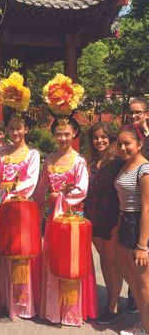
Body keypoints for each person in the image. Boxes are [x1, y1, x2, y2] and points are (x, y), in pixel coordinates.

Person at [33, 117, 98, 326]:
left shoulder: (78, 161)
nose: (63, 138)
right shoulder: (49, 159)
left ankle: (71, 311)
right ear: (53, 135)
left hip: (72, 220)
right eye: (59, 134)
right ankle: (53, 308)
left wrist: (59, 196)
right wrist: (32, 203)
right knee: (54, 258)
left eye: (67, 134)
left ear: (75, 134)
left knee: (72, 261)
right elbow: (42, 187)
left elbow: (82, 190)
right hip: (53, 219)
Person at [0, 111, 41, 319]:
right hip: (2, 205)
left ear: (26, 129)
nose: (15, 132)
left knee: (19, 252)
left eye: (18, 128)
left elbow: (31, 181)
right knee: (2, 249)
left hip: (19, 207)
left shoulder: (33, 154)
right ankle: (4, 299)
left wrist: (11, 194)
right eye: (11, 128)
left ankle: (22, 304)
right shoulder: (2, 153)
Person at [85, 122, 124, 324]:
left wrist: (119, 223)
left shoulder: (117, 161)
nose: (99, 141)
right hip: (93, 218)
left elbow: (123, 195)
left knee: (112, 262)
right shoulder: (90, 162)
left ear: (111, 138)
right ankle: (112, 298)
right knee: (105, 261)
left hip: (111, 220)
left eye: (103, 137)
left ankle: (114, 304)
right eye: (95, 137)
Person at [115, 125, 149, 335]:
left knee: (144, 283)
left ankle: (146, 328)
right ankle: (143, 323)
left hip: (139, 225)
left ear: (140, 144)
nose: (122, 147)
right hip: (126, 223)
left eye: (127, 143)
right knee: (134, 280)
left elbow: (147, 208)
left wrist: (143, 246)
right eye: (119, 143)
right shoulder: (127, 165)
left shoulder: (144, 169)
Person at [126, 97, 149, 313]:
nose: (134, 115)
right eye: (131, 112)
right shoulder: (128, 134)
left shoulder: (147, 136)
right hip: (133, 202)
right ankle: (134, 298)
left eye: (138, 112)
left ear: (146, 113)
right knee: (135, 260)